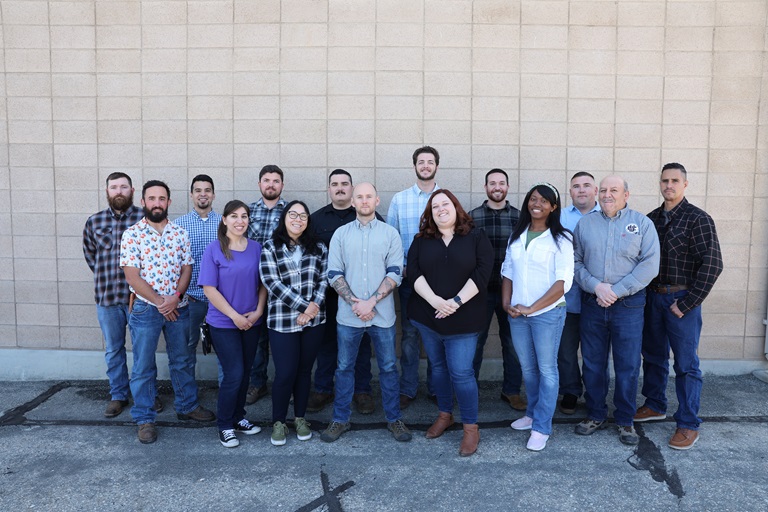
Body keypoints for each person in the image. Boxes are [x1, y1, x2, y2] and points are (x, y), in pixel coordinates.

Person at [635, 163, 723, 450]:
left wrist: (687, 303)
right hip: (653, 299)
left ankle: (687, 422)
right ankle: (655, 403)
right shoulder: (650, 220)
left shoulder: (698, 219)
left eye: (674, 180)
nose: (668, 185)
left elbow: (712, 265)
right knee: (653, 356)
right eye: (664, 180)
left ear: (685, 184)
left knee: (686, 364)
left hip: (681, 300)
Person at [119, 180, 215, 444]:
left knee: (182, 359)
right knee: (143, 365)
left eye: (162, 198)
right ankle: (145, 418)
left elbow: (187, 269)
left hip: (179, 307)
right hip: (145, 309)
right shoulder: (132, 234)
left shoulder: (179, 233)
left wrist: (175, 298)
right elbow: (132, 276)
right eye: (152, 198)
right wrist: (162, 302)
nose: (157, 203)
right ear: (144, 202)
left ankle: (187, 405)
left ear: (169, 202)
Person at [320, 183, 412, 443]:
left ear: (377, 200)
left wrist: (371, 302)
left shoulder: (390, 234)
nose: (363, 201)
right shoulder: (340, 234)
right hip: (348, 317)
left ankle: (394, 419)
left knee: (388, 368)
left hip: (381, 317)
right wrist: (355, 303)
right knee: (344, 368)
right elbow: (333, 273)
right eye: (359, 197)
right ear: (353, 202)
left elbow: (395, 272)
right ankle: (340, 419)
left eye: (368, 196)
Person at [573, 176, 660, 446]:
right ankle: (596, 413)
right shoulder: (585, 224)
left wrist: (616, 291)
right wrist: (597, 287)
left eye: (614, 190)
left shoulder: (643, 224)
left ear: (626, 195)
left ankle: (625, 420)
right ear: (598, 195)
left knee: (628, 366)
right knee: (593, 364)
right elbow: (575, 261)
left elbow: (649, 265)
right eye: (604, 190)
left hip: (629, 306)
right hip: (593, 303)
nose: (608, 195)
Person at [407, 189, 493, 457]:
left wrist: (455, 302)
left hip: (465, 319)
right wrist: (435, 301)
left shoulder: (476, 237)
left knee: (461, 373)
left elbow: (482, 273)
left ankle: (470, 427)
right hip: (428, 318)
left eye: (445, 204)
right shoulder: (421, 240)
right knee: (439, 369)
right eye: (435, 207)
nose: (441, 209)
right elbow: (414, 272)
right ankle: (445, 415)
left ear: (456, 207)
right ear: (430, 214)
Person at [501, 183, 574, 451]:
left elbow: (562, 283)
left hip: (547, 315)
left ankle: (542, 426)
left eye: (544, 201)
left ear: (553, 207)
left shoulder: (562, 239)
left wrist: (532, 308)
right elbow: (507, 271)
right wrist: (506, 303)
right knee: (528, 369)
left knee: (546, 370)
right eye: (533, 199)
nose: (537, 204)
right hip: (517, 314)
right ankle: (532, 414)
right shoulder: (517, 236)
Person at [198, 200, 267, 448]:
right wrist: (235, 316)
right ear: (225, 219)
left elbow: (263, 285)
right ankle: (225, 425)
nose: (240, 221)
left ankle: (239, 418)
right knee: (234, 373)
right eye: (234, 216)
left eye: (244, 216)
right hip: (223, 323)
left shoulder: (257, 248)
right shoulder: (214, 249)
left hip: (251, 322)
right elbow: (209, 288)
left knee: (246, 371)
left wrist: (258, 312)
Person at [308, 169, 377, 415]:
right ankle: (323, 388)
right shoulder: (316, 220)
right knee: (326, 344)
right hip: (327, 297)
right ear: (329, 189)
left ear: (352, 188)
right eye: (335, 184)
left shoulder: (368, 215)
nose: (340, 188)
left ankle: (362, 391)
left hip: (360, 298)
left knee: (361, 345)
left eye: (345, 184)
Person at [259, 200, 328, 446]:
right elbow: (272, 282)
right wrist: (303, 307)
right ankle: (279, 421)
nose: (297, 219)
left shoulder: (318, 247)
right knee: (285, 372)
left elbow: (323, 279)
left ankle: (300, 418)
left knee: (303, 371)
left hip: (314, 320)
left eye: (303, 216)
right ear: (284, 218)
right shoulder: (270, 246)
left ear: (308, 221)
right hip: (282, 321)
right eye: (293, 214)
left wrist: (312, 310)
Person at [83, 172, 145, 418]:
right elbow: (91, 257)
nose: (119, 191)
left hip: (140, 298)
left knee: (143, 349)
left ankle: (145, 394)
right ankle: (118, 395)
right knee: (114, 349)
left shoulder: (144, 218)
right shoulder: (95, 222)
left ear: (132, 190)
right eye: (114, 187)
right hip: (107, 298)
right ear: (107, 191)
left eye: (123, 187)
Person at [387, 146, 441, 408]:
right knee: (409, 335)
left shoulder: (445, 199)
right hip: (410, 279)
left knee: (437, 334)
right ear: (415, 166)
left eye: (430, 162)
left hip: (441, 282)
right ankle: (408, 388)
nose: (426, 166)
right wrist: (402, 267)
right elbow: (392, 239)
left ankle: (435, 388)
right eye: (421, 162)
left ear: (436, 167)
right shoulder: (400, 199)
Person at [469, 169, 526, 411]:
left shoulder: (520, 217)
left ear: (507, 187)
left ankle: (511, 390)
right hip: (479, 292)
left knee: (512, 343)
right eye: (492, 183)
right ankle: (469, 390)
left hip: (511, 291)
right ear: (485, 188)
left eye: (501, 183)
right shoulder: (472, 217)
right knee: (475, 342)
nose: (497, 187)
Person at [557, 172, 602, 414]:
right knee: (566, 350)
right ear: (570, 191)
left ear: (595, 190)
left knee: (595, 352)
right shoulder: (560, 217)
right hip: (567, 297)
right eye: (576, 186)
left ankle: (596, 396)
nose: (581, 190)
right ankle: (571, 391)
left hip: (598, 298)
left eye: (586, 186)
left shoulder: (607, 214)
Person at [246, 165, 287, 404]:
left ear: (282, 185)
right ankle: (257, 384)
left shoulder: (291, 211)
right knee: (257, 338)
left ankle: (286, 384)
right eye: (266, 180)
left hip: (283, 286)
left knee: (283, 338)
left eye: (276, 181)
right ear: (259, 184)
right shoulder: (248, 211)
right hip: (252, 285)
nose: (271, 184)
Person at [174, 175, 221, 377]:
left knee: (224, 349)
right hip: (190, 299)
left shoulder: (225, 223)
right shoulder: (177, 226)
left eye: (207, 190)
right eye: (198, 190)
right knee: (187, 348)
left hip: (219, 299)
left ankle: (227, 398)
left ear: (213, 194)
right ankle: (188, 398)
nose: (203, 194)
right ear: (191, 195)